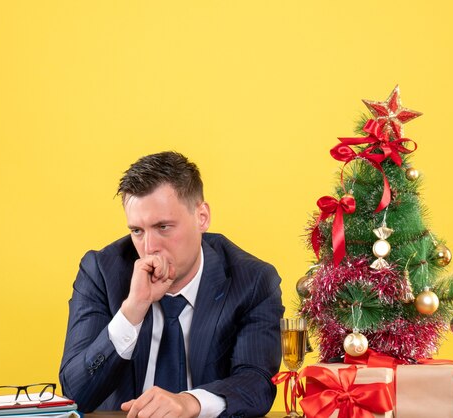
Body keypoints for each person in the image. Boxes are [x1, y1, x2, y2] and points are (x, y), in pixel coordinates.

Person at [59, 151, 284, 418]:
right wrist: (132, 310)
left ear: (202, 217)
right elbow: (76, 395)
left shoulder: (252, 280)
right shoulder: (101, 272)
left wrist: (190, 403)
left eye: (163, 227)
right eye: (137, 231)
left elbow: (256, 383)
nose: (149, 248)